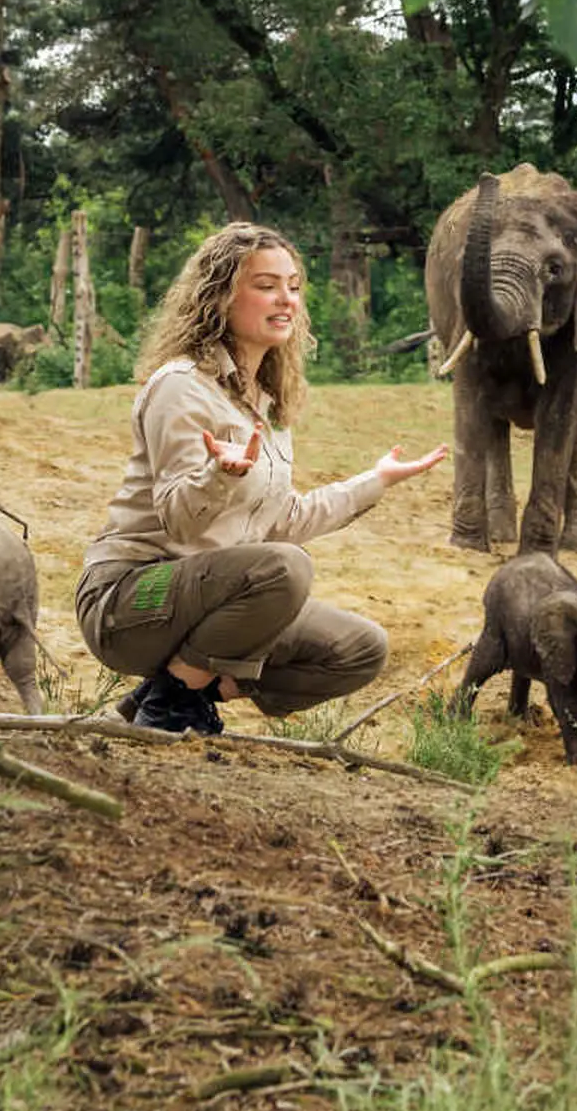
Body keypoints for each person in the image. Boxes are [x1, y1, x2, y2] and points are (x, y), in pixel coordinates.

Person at [80, 222, 447, 733]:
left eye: (294, 286)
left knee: (360, 649)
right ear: (220, 296)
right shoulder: (182, 387)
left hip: (213, 600)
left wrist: (376, 480)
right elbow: (180, 523)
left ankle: (176, 689)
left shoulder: (267, 405)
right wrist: (217, 475)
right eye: (266, 285)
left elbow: (284, 520)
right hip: (130, 599)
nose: (287, 300)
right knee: (285, 570)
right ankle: (171, 705)